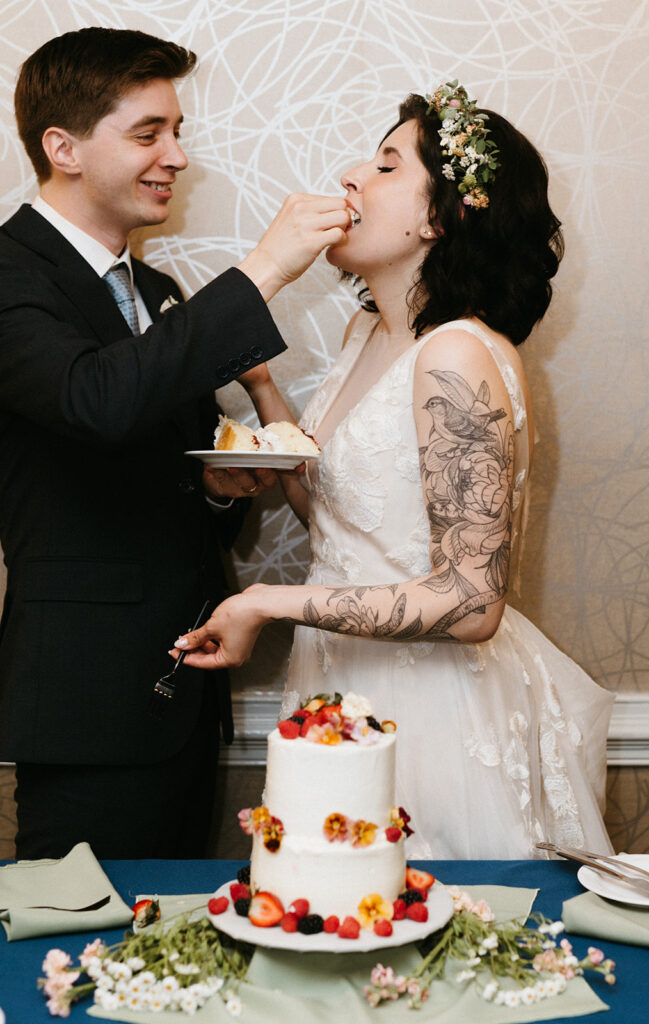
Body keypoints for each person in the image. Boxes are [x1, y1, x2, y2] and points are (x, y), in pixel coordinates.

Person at [173, 81, 615, 858]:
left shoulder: (456, 356)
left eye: (382, 167)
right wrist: (264, 390)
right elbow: (342, 522)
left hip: (429, 708)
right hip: (337, 684)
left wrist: (268, 600)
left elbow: (472, 602)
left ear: (437, 216)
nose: (349, 177)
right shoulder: (364, 330)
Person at [0, 27, 350, 860]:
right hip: (84, 698)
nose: (177, 157)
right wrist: (264, 268)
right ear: (65, 148)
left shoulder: (156, 290)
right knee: (79, 959)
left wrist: (216, 489)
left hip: (188, 688)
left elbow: (163, 464)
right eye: (148, 133)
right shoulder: (8, 272)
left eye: (178, 132)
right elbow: (93, 402)